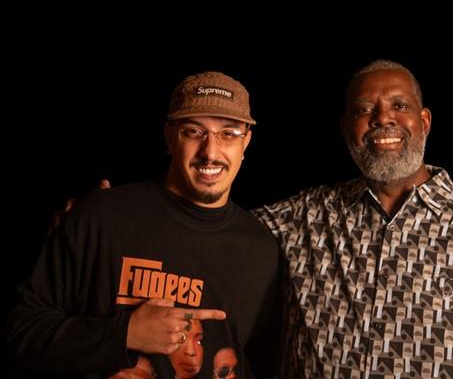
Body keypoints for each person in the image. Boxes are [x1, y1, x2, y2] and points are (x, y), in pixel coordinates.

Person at [253, 60, 453, 378]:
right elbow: (224, 230)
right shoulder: (303, 219)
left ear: (424, 122)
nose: (383, 118)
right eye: (364, 110)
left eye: (399, 106)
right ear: (345, 129)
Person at [7, 71, 281, 379]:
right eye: (193, 131)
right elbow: (21, 331)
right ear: (169, 136)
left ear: (246, 141)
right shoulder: (102, 215)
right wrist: (124, 333)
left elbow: (265, 364)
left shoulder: (262, 249)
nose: (211, 152)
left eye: (228, 133)